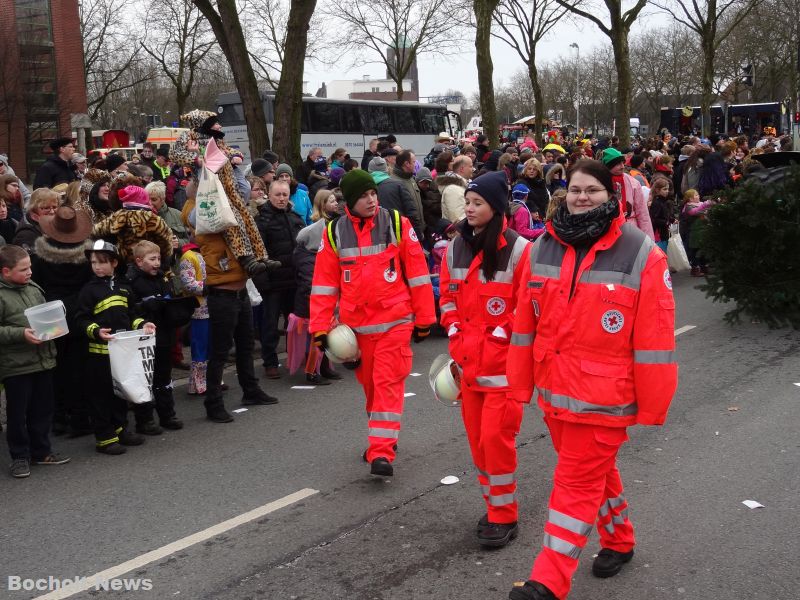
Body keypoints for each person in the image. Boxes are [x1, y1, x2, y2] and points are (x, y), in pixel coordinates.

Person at [506, 159, 678, 600]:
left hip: (605, 398)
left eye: (594, 190)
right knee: (594, 473)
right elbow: (525, 322)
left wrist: (653, 406)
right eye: (577, 189)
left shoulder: (642, 253)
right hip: (554, 391)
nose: (583, 197)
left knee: (575, 484)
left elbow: (655, 339)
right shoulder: (543, 245)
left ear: (612, 194)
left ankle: (548, 579)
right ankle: (619, 540)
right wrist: (520, 383)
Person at [310, 170, 435, 477]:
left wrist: (425, 319)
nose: (371, 199)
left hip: (395, 321)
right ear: (350, 201)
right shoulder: (334, 233)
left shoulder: (396, 224)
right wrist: (320, 329)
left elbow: (418, 274)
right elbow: (324, 285)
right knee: (372, 390)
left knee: (387, 385)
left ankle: (381, 451)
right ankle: (383, 437)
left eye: (373, 194)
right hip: (356, 331)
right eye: (364, 196)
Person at [438, 171, 531, 548]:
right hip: (468, 368)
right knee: (478, 443)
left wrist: (502, 332)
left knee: (495, 439)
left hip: (504, 370)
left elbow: (529, 305)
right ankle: (494, 505)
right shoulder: (455, 249)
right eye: (468, 203)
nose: (469, 209)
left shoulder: (521, 250)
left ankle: (504, 516)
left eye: (477, 203)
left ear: (495, 206)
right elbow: (446, 296)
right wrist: (453, 328)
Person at [181, 182, 280, 424]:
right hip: (221, 294)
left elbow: (242, 191)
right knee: (220, 351)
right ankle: (213, 402)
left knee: (245, 345)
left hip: (240, 291)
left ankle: (251, 390)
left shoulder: (232, 217)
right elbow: (199, 212)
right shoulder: (204, 217)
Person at [170, 109, 272, 276]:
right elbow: (174, 153)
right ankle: (246, 259)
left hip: (230, 188)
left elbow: (228, 151)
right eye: (215, 123)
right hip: (213, 190)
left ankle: (261, 256)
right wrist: (195, 158)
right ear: (205, 124)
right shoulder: (190, 137)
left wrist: (236, 155)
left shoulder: (216, 138)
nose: (220, 125)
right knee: (233, 221)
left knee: (247, 218)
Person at [74, 241, 154, 454]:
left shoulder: (124, 288)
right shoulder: (88, 290)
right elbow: (80, 319)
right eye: (93, 262)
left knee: (120, 392)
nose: (97, 267)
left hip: (122, 353)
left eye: (101, 262)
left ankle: (120, 430)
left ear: (114, 263)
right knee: (100, 397)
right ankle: (105, 437)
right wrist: (96, 331)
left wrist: (143, 325)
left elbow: (132, 316)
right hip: (98, 355)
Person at [0, 244, 71, 478]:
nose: (30, 272)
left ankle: (42, 451)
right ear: (5, 272)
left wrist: (55, 326)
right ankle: (20, 457)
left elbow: (45, 317)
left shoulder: (33, 287)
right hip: (16, 365)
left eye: (30, 267)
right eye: (23, 269)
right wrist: (20, 334)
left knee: (42, 410)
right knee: (18, 414)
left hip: (43, 359)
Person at [30, 206, 94, 437]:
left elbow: (35, 284)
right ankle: (80, 417)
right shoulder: (87, 256)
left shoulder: (38, 256)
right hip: (78, 313)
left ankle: (58, 416)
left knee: (54, 365)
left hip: (49, 313)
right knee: (79, 366)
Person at [127, 240, 186, 434]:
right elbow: (130, 309)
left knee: (164, 377)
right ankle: (144, 420)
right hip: (144, 337)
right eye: (152, 259)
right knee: (144, 379)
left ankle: (167, 415)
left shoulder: (162, 278)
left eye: (159, 258)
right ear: (138, 261)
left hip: (164, 334)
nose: (157, 263)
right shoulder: (132, 282)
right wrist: (145, 306)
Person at [255, 180, 305, 378]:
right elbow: (259, 253)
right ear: (270, 195)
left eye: (285, 195)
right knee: (270, 325)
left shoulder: (295, 218)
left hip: (294, 280)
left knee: (295, 324)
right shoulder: (262, 221)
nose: (282, 198)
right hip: (273, 282)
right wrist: (263, 282)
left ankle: (295, 357)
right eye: (278, 194)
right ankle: (270, 361)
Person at [292, 189, 343, 385]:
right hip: (311, 303)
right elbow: (310, 282)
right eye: (331, 201)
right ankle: (312, 372)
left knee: (328, 335)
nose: (336, 203)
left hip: (323, 300)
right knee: (316, 339)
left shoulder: (318, 252)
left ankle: (324, 367)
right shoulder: (308, 255)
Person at [600, 148, 655, 240]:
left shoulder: (633, 182)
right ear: (609, 166)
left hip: (631, 230)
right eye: (618, 164)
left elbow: (642, 212)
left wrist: (649, 239)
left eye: (622, 163)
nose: (622, 166)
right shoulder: (599, 183)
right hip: (607, 232)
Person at [177, 242, 210, 395]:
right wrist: (213, 287)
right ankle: (198, 383)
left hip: (214, 307)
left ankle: (211, 379)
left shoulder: (210, 251)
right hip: (199, 309)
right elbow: (188, 284)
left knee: (211, 345)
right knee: (200, 346)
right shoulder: (188, 256)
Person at [13, 188, 59, 254]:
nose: (52, 211)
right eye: (46, 208)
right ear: (33, 209)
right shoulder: (26, 236)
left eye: (54, 207)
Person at [438, 155, 472, 224]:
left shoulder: (460, 186)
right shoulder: (453, 190)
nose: (473, 169)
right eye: (471, 166)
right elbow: (458, 220)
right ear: (462, 169)